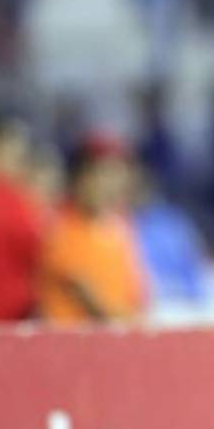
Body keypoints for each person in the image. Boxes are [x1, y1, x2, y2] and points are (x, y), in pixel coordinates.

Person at [37, 132, 148, 323]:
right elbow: (94, 304)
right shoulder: (59, 227)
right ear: (79, 178)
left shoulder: (120, 227)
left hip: (117, 342)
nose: (110, 185)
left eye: (117, 174)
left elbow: (137, 295)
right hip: (73, 346)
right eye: (102, 174)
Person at [0, 115, 45, 322]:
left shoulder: (18, 198)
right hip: (7, 321)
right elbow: (42, 253)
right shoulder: (16, 202)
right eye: (16, 154)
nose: (21, 163)